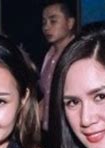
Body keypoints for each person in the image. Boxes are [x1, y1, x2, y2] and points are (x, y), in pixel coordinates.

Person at [40, 0, 76, 132]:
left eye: (53, 21)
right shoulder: (49, 55)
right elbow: (47, 95)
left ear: (70, 23)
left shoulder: (78, 54)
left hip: (69, 132)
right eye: (44, 22)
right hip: (49, 131)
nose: (46, 27)